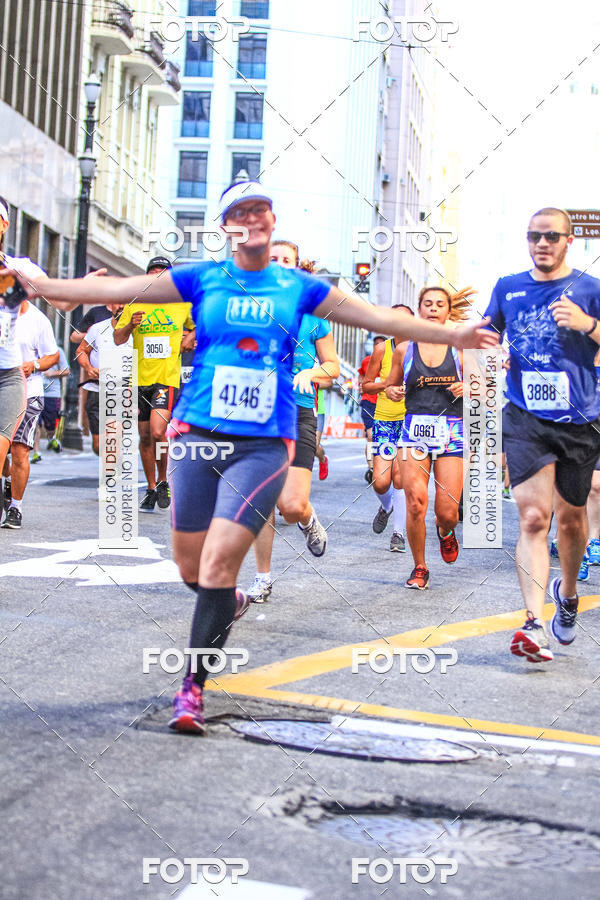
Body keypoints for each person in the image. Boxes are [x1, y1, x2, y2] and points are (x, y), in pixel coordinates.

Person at [4, 180, 498, 733]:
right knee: (192, 568)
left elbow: (378, 319)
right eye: (240, 210)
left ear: (270, 219)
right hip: (198, 435)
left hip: (265, 444)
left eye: (262, 207)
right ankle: (228, 599)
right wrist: (45, 283)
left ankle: (192, 689)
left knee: (216, 563)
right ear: (226, 227)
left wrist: (453, 332)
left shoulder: (298, 286)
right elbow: (120, 287)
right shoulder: (201, 278)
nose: (254, 217)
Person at [483, 207, 600, 663]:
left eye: (552, 235)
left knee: (572, 520)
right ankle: (533, 624)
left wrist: (587, 325)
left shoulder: (590, 290)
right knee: (534, 518)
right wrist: (490, 350)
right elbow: (488, 335)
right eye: (534, 235)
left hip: (580, 421)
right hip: (525, 417)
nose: (542, 243)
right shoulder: (508, 287)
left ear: (569, 240)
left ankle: (566, 595)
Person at [246, 240, 340, 604]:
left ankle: (308, 519)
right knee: (261, 500)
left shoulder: (313, 315)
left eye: (287, 260)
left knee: (291, 505)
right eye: (274, 259)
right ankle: (263, 577)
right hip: (258, 410)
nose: (280, 264)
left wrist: (312, 372)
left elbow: (332, 368)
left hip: (297, 408)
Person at [385, 287, 464, 588]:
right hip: (413, 431)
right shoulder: (405, 349)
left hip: (451, 431)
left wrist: (469, 387)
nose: (433, 308)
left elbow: (485, 384)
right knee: (415, 501)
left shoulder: (459, 348)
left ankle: (445, 531)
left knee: (448, 511)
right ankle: (420, 567)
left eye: (439, 304)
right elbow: (392, 386)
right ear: (419, 309)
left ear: (447, 310)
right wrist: (393, 391)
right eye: (427, 304)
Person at [113, 256, 196, 512]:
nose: (157, 276)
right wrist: (129, 325)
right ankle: (151, 487)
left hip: (166, 378)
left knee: (159, 431)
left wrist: (188, 340)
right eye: (153, 272)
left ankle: (163, 480)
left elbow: (202, 327)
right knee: (145, 436)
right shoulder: (135, 303)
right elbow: (117, 338)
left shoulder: (182, 304)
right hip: (139, 380)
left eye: (162, 273)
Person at [0, 197, 47, 515]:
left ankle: (13, 502)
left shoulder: (18, 269)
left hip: (7, 377)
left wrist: (81, 289)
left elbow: (62, 297)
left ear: (4, 225)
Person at [2, 298, 58, 528]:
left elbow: (52, 356)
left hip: (30, 391)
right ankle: (8, 480)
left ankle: (15, 507)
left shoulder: (38, 320)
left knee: (19, 449)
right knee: (2, 450)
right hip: (3, 389)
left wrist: (33, 364)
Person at [362, 308, 414, 552]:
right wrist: (387, 386)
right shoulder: (382, 349)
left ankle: (398, 533)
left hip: (410, 421)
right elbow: (367, 385)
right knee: (380, 482)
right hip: (384, 419)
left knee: (399, 478)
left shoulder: (422, 347)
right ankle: (386, 506)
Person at [76, 303, 128, 456]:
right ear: (111, 306)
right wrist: (89, 368)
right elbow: (81, 351)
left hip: (120, 390)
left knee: (113, 436)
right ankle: (110, 463)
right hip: (96, 389)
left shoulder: (137, 330)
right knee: (98, 445)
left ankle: (113, 472)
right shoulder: (98, 328)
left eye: (126, 303)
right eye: (119, 303)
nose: (122, 306)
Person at [31, 345, 70, 461]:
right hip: (35, 392)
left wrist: (51, 374)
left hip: (52, 393)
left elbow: (66, 370)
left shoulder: (57, 351)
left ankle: (51, 437)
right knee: (35, 424)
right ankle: (36, 452)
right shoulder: (32, 351)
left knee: (50, 425)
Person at [358, 335, 386, 483]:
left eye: (382, 344)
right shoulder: (367, 361)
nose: (379, 346)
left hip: (386, 402)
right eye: (376, 344)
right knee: (371, 436)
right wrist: (361, 387)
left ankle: (384, 466)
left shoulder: (393, 358)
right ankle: (371, 469)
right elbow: (361, 375)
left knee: (383, 438)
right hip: (369, 402)